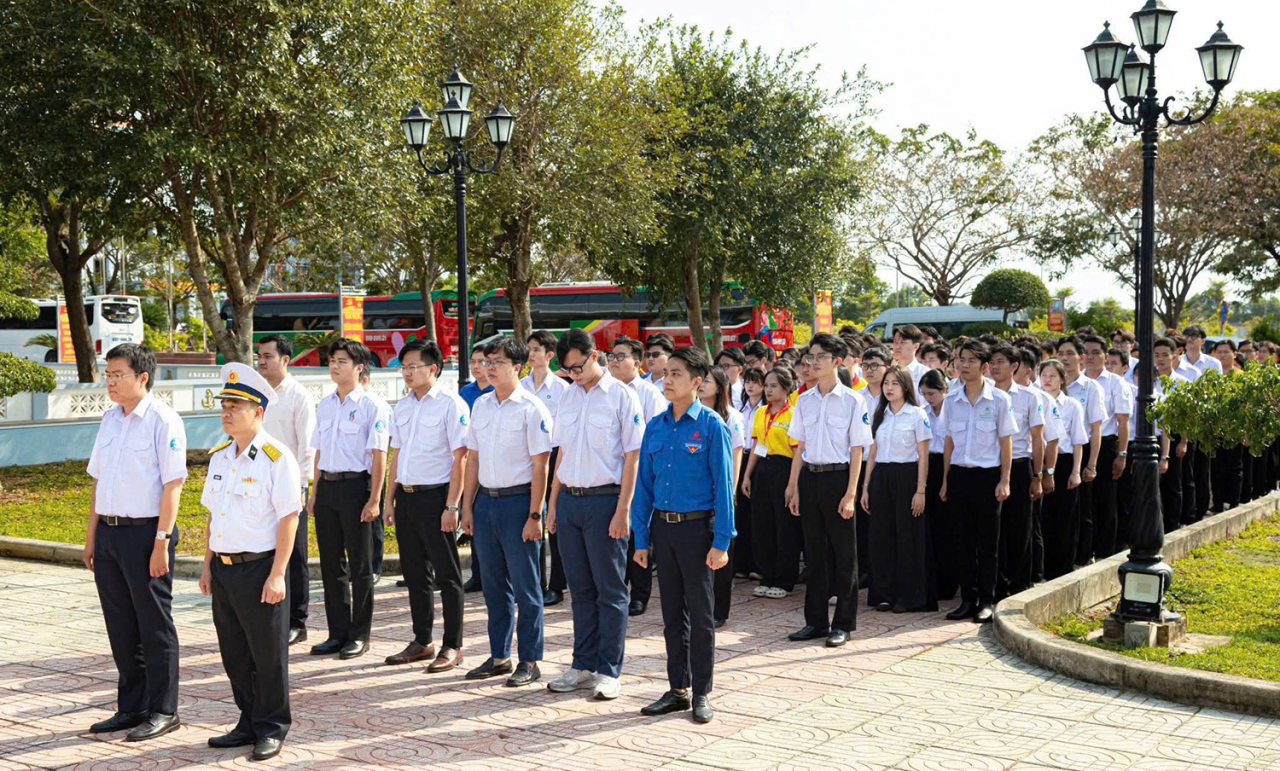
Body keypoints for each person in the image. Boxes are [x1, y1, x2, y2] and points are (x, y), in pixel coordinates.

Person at [83, 344, 187, 741]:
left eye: (117, 375)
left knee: (154, 625)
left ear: (142, 377)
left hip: (146, 535)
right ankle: (131, 707)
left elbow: (173, 485)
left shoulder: (163, 420)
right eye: (107, 375)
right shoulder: (110, 419)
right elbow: (99, 481)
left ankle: (164, 709)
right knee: (120, 624)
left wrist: (162, 542)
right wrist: (92, 537)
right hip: (109, 535)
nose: (109, 382)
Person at [199, 363, 301, 762]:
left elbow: (289, 518)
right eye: (224, 406)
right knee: (235, 653)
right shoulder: (220, 458)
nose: (226, 413)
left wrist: (278, 574)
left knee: (267, 655)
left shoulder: (276, 458)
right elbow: (215, 516)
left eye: (235, 407)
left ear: (258, 412)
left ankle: (272, 727)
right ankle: (248, 720)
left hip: (260, 569)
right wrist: (208, 565)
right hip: (224, 570)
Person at [632, 346, 735, 724]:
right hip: (663, 528)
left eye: (677, 374)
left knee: (701, 614)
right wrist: (640, 539)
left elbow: (724, 486)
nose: (668, 380)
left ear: (697, 382)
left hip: (697, 530)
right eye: (666, 373)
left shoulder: (711, 425)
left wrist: (722, 541)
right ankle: (678, 689)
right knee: (672, 615)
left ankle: (702, 692)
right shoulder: (656, 426)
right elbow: (644, 486)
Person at [545, 329, 644, 701]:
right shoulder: (568, 396)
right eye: (567, 370)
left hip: (606, 502)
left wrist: (623, 510)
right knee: (580, 590)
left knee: (611, 591)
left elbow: (633, 456)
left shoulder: (621, 396)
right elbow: (562, 453)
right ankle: (582, 666)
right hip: (571, 502)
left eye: (578, 367)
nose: (574, 375)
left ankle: (609, 671)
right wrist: (553, 505)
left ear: (594, 356)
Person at [461, 337, 553, 687]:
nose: (490, 368)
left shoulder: (532, 408)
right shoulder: (481, 406)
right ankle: (499, 656)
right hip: (486, 503)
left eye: (497, 362)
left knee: (526, 587)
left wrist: (535, 515)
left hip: (519, 504)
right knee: (494, 586)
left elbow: (541, 466)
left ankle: (530, 659)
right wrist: (467, 507)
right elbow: (473, 460)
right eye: (487, 362)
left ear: (517, 367)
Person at [384, 339, 468, 673]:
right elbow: (397, 454)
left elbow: (461, 458)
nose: (407, 373)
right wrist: (388, 499)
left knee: (447, 575)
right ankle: (422, 640)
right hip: (406, 497)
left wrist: (452, 506)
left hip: (437, 497)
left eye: (413, 367)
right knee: (415, 573)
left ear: (433, 368)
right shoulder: (403, 406)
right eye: (403, 367)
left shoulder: (451, 404)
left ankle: (453, 644)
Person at [785, 334, 871, 646]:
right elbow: (800, 446)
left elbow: (857, 450)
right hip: (810, 478)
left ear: (837, 360)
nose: (813, 362)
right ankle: (816, 622)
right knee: (814, 554)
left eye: (820, 357)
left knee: (844, 555)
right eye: (810, 356)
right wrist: (793, 486)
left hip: (839, 479)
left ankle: (843, 624)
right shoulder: (804, 400)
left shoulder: (853, 400)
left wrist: (851, 493)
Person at [307, 338, 389, 661]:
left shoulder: (372, 406)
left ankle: (359, 635)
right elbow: (318, 451)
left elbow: (380, 455)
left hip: (357, 489)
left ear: (359, 368)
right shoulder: (325, 405)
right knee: (331, 565)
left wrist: (375, 499)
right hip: (327, 488)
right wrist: (314, 491)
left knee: (360, 566)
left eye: (342, 361)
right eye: (332, 361)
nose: (335, 366)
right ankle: (337, 633)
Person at [941, 339, 1016, 623]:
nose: (964, 365)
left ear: (984, 366)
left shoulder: (1000, 400)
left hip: (987, 477)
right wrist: (945, 480)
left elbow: (1006, 443)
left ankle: (986, 600)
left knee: (987, 543)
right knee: (962, 541)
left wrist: (1005, 480)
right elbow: (949, 442)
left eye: (971, 360)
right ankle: (967, 600)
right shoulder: (952, 400)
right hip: (960, 475)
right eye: (961, 359)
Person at [257, 336, 317, 647]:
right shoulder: (256, 395)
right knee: (265, 550)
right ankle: (272, 615)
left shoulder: (298, 396)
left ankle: (297, 621)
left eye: (268, 356)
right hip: (258, 487)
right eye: (259, 355)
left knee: (294, 554)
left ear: (285, 360)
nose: (261, 361)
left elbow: (307, 445)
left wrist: (304, 484)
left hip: (291, 487)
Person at [862, 364, 935, 612]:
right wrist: (865, 487)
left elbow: (923, 456)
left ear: (905, 387)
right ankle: (883, 594)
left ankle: (908, 596)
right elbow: (872, 453)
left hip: (907, 476)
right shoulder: (879, 414)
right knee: (881, 536)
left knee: (907, 537)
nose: (889, 388)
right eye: (886, 383)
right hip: (881, 477)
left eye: (894, 383)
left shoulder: (917, 414)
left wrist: (921, 490)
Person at [609, 336, 666, 616]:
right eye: (612, 356)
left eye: (621, 356)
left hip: (640, 473)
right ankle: (615, 590)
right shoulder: (604, 391)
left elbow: (656, 435)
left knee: (637, 535)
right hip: (610, 476)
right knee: (613, 536)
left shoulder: (649, 393)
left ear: (638, 362)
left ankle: (639, 594)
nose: (614, 361)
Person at [989, 343, 1045, 599]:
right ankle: (996, 586)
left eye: (1000, 362)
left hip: (1020, 466)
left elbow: (1037, 438)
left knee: (1020, 529)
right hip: (990, 468)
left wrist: (1038, 476)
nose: (995, 367)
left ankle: (1019, 585)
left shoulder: (1029, 397)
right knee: (993, 530)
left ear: (1015, 366)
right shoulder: (984, 394)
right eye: (992, 362)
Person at [743, 367, 800, 601]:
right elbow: (757, 445)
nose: (768, 390)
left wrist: (793, 484)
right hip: (763, 469)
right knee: (762, 524)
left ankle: (785, 579)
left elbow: (797, 452)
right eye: (766, 385)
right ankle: (767, 575)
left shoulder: (793, 414)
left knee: (784, 526)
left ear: (786, 389)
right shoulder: (761, 412)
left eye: (774, 386)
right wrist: (748, 475)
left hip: (785, 468)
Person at [523, 330, 570, 607]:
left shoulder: (563, 389)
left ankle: (557, 585)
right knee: (532, 518)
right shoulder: (521, 386)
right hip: (527, 459)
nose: (531, 354)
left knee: (554, 521)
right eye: (528, 348)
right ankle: (536, 583)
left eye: (536, 349)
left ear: (550, 355)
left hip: (554, 457)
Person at [698, 368, 746, 627]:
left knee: (721, 554)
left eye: (707, 381)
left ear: (720, 387)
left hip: (722, 494)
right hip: (698, 496)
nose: (702, 385)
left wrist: (729, 493)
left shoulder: (731, 417)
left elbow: (735, 457)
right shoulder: (692, 414)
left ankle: (719, 611)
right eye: (700, 380)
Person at [1082, 334, 1131, 560]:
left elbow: (1123, 421)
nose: (1090, 357)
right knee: (1084, 504)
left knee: (1106, 501)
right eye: (1086, 353)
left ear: (1106, 355)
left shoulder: (1115, 382)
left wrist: (1122, 454)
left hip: (1107, 445)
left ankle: (1105, 553)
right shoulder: (1075, 382)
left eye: (1096, 353)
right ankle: (1084, 553)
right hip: (1080, 446)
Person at [1057, 336, 1104, 570]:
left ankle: (1083, 557)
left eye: (1070, 354)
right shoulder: (1048, 383)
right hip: (1055, 454)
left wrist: (1091, 464)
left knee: (1083, 509)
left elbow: (1096, 428)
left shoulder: (1091, 387)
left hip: (1081, 452)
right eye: (1061, 354)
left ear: (1081, 357)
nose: (1064, 358)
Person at [1038, 360, 1086, 579]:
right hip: (1041, 462)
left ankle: (1063, 567)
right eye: (1044, 375)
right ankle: (1044, 567)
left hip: (1064, 462)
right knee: (1043, 516)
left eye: (1053, 376)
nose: (1047, 380)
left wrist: (1076, 471)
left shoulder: (1072, 405)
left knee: (1065, 517)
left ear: (1062, 380)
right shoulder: (1036, 400)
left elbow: (1078, 441)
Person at [919, 369, 958, 599]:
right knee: (930, 526)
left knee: (947, 527)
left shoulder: (952, 411)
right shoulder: (923, 412)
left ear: (944, 390)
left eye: (932, 394)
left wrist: (945, 479)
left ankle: (949, 581)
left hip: (947, 465)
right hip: (927, 466)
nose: (928, 398)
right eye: (924, 394)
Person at [460, 345, 494, 594]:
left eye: (481, 361)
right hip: (470, 460)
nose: (475, 366)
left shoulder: (497, 391)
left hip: (492, 462)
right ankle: (477, 574)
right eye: (472, 361)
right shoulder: (466, 392)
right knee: (472, 517)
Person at [1151, 338, 1192, 533]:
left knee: (1173, 483)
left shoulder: (1182, 383)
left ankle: (1172, 526)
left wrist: (1184, 441)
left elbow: (1187, 415)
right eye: (1156, 355)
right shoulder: (1147, 380)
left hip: (1173, 435)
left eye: (1165, 355)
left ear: (1174, 357)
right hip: (1150, 435)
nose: (1160, 359)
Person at [1182, 325, 1219, 522]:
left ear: (1203, 340)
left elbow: (1217, 393)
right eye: (1187, 335)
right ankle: (1187, 509)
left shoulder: (1213, 364)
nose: (1190, 339)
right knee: (1186, 470)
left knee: (1202, 468)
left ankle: (1201, 507)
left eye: (1194, 336)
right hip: (1183, 422)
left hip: (1204, 422)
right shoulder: (1178, 361)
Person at [358, 360, 390, 585]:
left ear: (365, 380)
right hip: (350, 475)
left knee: (373, 522)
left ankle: (375, 566)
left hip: (372, 472)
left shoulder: (377, 405)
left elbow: (384, 444)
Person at [734, 368, 767, 582]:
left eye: (755, 381)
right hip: (741, 456)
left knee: (758, 514)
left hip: (760, 459)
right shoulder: (740, 408)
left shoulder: (765, 410)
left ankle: (758, 563)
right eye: (747, 381)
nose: (750, 385)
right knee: (741, 514)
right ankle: (741, 562)